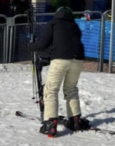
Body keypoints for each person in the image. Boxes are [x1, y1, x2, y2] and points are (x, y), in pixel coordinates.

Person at [28, 7, 87, 137]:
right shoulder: (74, 25)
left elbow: (44, 44)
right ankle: (74, 120)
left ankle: (50, 124)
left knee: (51, 90)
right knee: (71, 89)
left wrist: (31, 46)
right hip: (77, 60)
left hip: (61, 59)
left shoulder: (53, 23)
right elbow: (66, 43)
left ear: (57, 15)